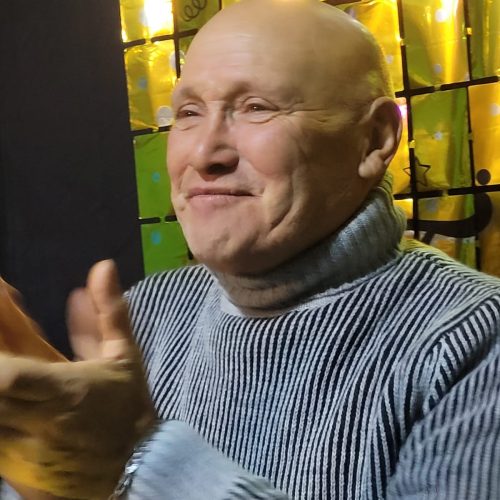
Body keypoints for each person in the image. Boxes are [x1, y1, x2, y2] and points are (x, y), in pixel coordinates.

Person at [0, 0, 499, 498]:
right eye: (188, 113)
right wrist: (46, 476)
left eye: (256, 108)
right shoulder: (148, 312)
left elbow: (127, 465)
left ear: (374, 139)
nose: (204, 154)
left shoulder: (475, 339)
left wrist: (138, 459)